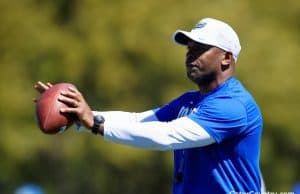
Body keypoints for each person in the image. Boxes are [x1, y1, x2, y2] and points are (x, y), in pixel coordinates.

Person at [35, 18, 263, 194]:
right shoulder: (189, 101)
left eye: (200, 49)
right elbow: (138, 121)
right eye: (189, 49)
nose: (190, 56)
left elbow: (167, 135)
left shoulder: (234, 105)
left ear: (226, 58)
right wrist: (78, 113)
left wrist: (94, 123)